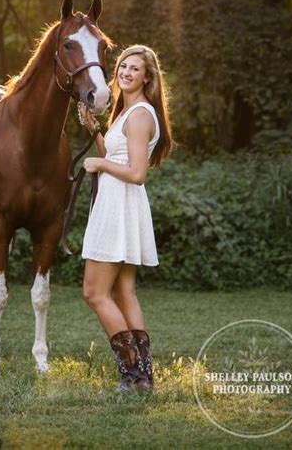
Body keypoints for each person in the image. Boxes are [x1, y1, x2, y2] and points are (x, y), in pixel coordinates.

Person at [78, 44, 173, 392]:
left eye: (135, 68)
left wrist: (99, 164)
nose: (126, 72)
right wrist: (94, 131)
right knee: (124, 291)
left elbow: (136, 172)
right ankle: (143, 377)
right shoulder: (128, 112)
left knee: (94, 293)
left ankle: (132, 372)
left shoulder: (140, 116)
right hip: (118, 202)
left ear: (147, 77)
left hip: (120, 203)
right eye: (123, 66)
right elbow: (116, 156)